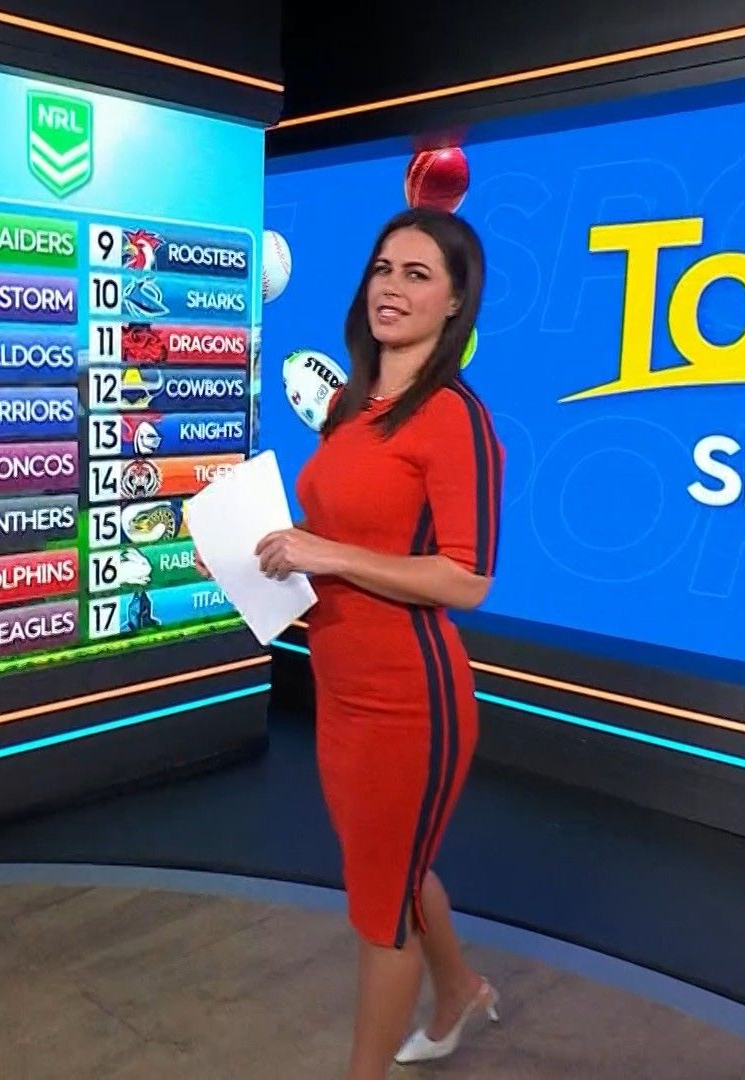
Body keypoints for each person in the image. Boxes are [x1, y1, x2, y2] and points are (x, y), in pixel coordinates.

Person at [256, 207, 505, 1078]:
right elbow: (337, 534)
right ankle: (460, 989)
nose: (391, 288)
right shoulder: (348, 408)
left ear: (455, 303)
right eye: (383, 269)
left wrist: (328, 554)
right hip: (342, 688)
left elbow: (468, 577)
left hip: (409, 702)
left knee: (381, 907)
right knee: (391, 867)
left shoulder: (452, 417)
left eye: (418, 274)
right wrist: (265, 552)